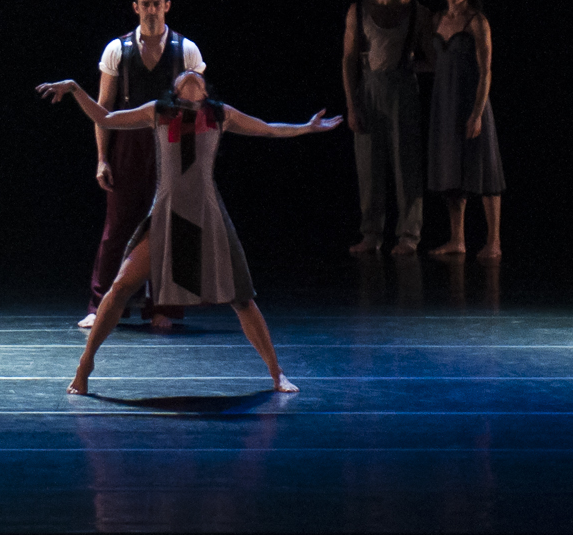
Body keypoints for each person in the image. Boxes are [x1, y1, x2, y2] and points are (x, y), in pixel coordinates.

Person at [38, 70, 344, 395]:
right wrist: (74, 88)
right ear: (173, 90)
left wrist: (307, 128)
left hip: (206, 213)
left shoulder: (219, 114)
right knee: (120, 287)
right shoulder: (158, 111)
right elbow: (107, 117)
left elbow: (268, 129)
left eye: (195, 76)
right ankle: (85, 365)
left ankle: (276, 373)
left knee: (242, 298)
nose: (189, 76)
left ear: (205, 89)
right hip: (167, 214)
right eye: (182, 76)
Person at [79, 0, 207, 332]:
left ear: (167, 6)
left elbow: (198, 108)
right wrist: (102, 157)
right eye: (145, 4)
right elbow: (103, 110)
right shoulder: (118, 49)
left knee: (172, 227)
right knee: (118, 225)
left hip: (172, 144)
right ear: (135, 7)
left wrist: (193, 160)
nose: (151, 10)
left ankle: (164, 308)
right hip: (129, 145)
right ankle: (103, 303)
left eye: (157, 4)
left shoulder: (186, 50)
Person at [343, 0, 434, 256]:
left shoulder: (418, 12)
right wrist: (352, 106)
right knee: (368, 165)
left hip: (402, 89)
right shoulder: (359, 8)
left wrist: (408, 67)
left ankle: (409, 234)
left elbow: (433, 59)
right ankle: (371, 234)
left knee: (406, 162)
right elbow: (348, 59)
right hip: (369, 88)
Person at [425, 0, 506, 260]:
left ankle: (493, 242)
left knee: (485, 168)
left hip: (472, 101)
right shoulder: (437, 19)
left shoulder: (477, 22)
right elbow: (437, 62)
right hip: (444, 103)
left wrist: (477, 113)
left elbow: (486, 72)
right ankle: (457, 240)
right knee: (450, 170)